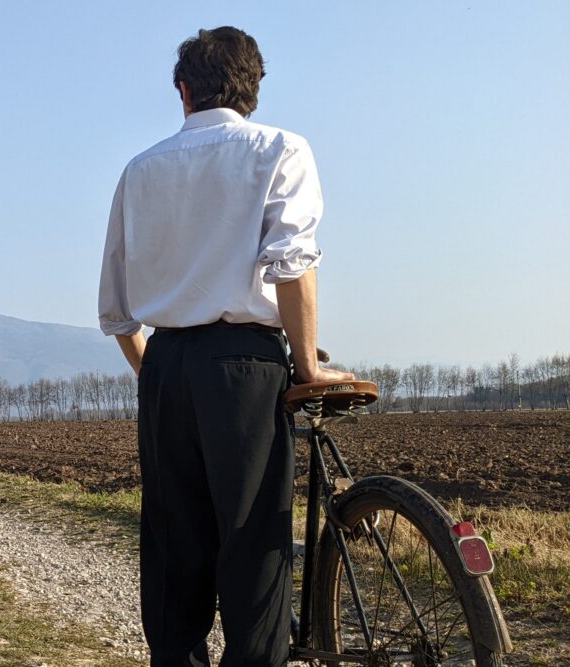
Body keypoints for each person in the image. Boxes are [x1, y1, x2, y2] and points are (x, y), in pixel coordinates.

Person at [96, 26, 355, 667]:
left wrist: (155, 373)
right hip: (247, 366)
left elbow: (117, 311)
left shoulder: (140, 170)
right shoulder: (280, 149)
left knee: (173, 553)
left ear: (182, 92)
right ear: (254, 91)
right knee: (254, 552)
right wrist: (305, 366)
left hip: (165, 365)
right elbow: (292, 264)